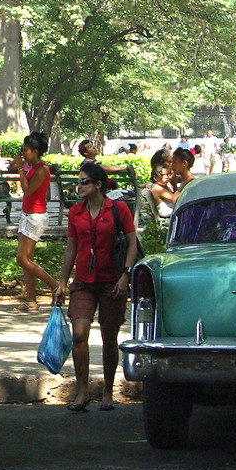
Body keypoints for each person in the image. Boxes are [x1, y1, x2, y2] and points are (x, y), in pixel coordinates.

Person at [54, 160, 139, 411]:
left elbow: (132, 244)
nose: (79, 186)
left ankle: (108, 391)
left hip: (112, 280)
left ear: (98, 185)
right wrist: (61, 283)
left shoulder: (118, 209)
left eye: (84, 181)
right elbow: (71, 249)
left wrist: (126, 276)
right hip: (83, 282)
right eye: (78, 182)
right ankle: (82, 392)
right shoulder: (75, 213)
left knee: (109, 336)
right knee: (79, 334)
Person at [10, 131, 59, 312]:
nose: (23, 154)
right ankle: (31, 300)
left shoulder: (42, 169)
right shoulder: (30, 166)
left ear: (36, 151)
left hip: (36, 217)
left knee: (21, 259)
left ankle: (55, 286)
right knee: (27, 259)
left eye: (26, 150)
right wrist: (18, 165)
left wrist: (22, 170)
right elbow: (10, 169)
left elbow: (28, 191)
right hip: (26, 215)